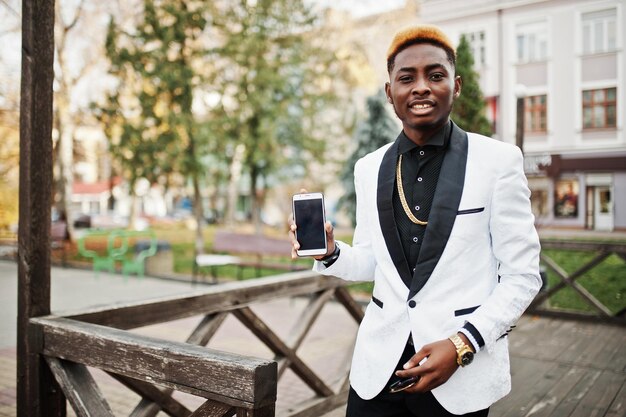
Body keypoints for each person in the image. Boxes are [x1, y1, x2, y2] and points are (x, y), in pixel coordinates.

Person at [289, 24, 541, 417]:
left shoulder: (498, 161)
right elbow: (374, 262)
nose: (421, 86)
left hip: (457, 374)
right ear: (390, 92)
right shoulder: (368, 168)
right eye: (406, 78)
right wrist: (331, 251)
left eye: (435, 75)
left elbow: (523, 276)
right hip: (377, 371)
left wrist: (462, 343)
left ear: (455, 86)